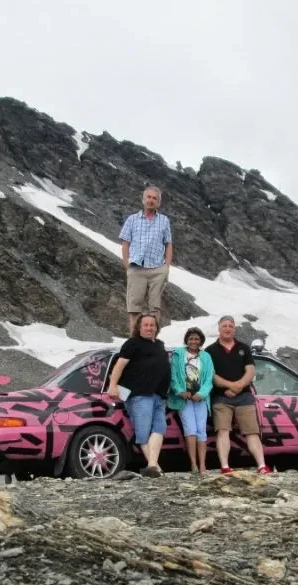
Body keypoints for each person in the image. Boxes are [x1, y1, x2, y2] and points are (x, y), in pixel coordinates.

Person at [205, 315, 270, 474]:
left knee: (252, 431)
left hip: (244, 396)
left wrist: (239, 386)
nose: (227, 329)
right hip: (221, 397)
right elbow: (211, 375)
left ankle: (261, 465)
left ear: (234, 329)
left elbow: (250, 370)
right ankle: (225, 467)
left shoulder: (244, 348)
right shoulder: (210, 351)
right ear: (219, 329)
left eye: (230, 326)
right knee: (222, 430)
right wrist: (230, 386)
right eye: (224, 326)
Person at [107, 314, 170, 477]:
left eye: (152, 325)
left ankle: (153, 466)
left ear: (156, 327)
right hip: (139, 395)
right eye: (146, 325)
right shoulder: (132, 344)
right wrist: (112, 386)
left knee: (159, 429)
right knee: (144, 432)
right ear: (139, 327)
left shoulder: (160, 345)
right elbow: (119, 366)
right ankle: (154, 467)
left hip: (159, 395)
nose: (149, 328)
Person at [119, 186, 173, 336]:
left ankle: (152, 340)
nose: (151, 200)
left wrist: (166, 267)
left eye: (154, 198)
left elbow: (168, 243)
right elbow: (125, 243)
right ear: (143, 200)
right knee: (134, 306)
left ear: (158, 203)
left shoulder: (164, 221)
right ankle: (134, 339)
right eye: (148, 197)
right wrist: (126, 265)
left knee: (154, 307)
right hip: (136, 267)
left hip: (157, 268)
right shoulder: (132, 219)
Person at [168, 327, 215, 474]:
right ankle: (193, 465)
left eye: (196, 339)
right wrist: (180, 391)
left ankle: (202, 465)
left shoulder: (206, 357)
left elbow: (209, 379)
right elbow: (173, 376)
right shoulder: (178, 355)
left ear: (200, 341)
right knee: (191, 430)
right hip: (185, 399)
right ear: (186, 340)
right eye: (191, 339)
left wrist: (202, 393)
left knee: (202, 431)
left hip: (200, 399)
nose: (193, 341)